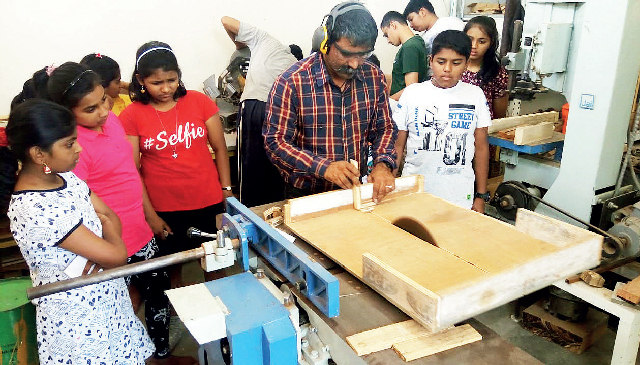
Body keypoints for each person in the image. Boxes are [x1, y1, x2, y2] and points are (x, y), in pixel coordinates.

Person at [43, 62, 192, 364]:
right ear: (65, 112)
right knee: (121, 307)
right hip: (111, 242)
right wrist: (103, 246)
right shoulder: (73, 147)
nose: (102, 111)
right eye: (90, 109)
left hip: (139, 229)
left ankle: (160, 355)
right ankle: (131, 357)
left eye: (103, 101)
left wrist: (150, 216)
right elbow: (81, 203)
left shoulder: (111, 121)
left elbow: (130, 172)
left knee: (158, 296)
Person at [4, 99, 155, 364]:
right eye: (69, 144)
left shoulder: (67, 179)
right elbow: (117, 255)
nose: (79, 148)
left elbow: (112, 218)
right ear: (39, 154)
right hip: (78, 323)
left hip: (109, 300)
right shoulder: (34, 207)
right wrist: (106, 233)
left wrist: (107, 234)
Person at [119, 41, 232, 284]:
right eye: (156, 83)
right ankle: (178, 317)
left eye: (171, 80)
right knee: (173, 267)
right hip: (165, 207)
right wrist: (151, 216)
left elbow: (220, 149)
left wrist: (227, 190)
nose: (165, 89)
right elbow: (132, 171)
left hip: (207, 199)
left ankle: (224, 312)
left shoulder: (199, 102)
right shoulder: (132, 115)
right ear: (140, 80)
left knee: (215, 261)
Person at [264, 1, 397, 202]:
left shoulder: (373, 77)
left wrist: (382, 164)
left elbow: (384, 127)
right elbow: (275, 142)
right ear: (325, 42)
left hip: (354, 191)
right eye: (346, 54)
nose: (354, 64)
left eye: (363, 54)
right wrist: (323, 167)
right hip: (306, 196)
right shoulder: (291, 83)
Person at [393, 30, 491, 213]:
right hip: (415, 193)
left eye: (456, 63)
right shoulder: (413, 93)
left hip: (459, 196)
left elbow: (481, 148)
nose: (447, 69)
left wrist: (481, 195)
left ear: (467, 64)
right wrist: (390, 186)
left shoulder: (475, 95)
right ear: (430, 61)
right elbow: (397, 146)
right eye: (441, 62)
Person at [220, 16, 300, 207]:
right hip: (280, 111)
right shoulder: (297, 63)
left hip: (254, 106)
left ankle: (249, 215)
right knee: (275, 170)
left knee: (249, 171)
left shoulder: (264, 39)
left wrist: (239, 44)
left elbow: (225, 20)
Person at [462, 16, 509, 119]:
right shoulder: (453, 67)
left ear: (490, 43)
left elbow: (499, 115)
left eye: (482, 41)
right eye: (470, 39)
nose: (474, 45)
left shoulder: (496, 73)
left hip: (483, 129)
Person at [380, 11, 428, 101]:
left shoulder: (410, 47)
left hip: (402, 105)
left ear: (393, 25)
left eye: (386, 35)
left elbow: (411, 89)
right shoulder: (417, 41)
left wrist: (388, 102)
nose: (388, 40)